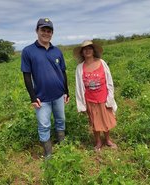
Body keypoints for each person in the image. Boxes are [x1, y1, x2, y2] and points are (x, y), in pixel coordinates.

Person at [21, 18, 70, 159]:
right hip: (41, 98)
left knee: (61, 120)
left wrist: (66, 91)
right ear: (37, 31)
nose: (46, 33)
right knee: (44, 125)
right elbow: (27, 75)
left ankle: (62, 143)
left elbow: (63, 72)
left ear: (52, 33)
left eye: (49, 31)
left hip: (59, 94)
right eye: (43, 30)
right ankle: (48, 153)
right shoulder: (28, 51)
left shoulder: (57, 51)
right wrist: (32, 96)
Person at [73, 40, 117, 151]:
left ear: (93, 50)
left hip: (103, 98)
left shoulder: (102, 62)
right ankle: (98, 141)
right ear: (82, 53)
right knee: (94, 122)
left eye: (89, 48)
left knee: (106, 120)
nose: (87, 51)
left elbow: (109, 80)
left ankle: (107, 139)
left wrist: (110, 97)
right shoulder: (80, 68)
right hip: (90, 99)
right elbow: (79, 86)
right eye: (85, 49)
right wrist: (81, 104)